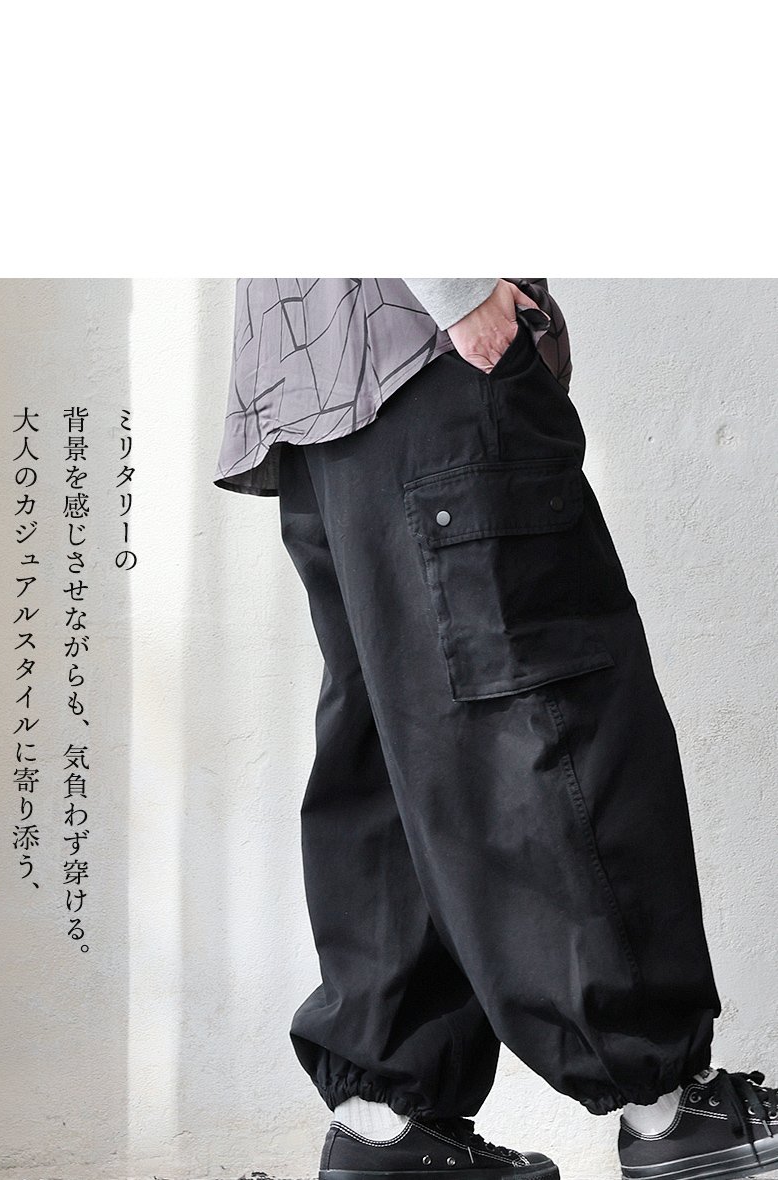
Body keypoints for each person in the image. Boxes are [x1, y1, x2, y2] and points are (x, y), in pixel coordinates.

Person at [213, 278, 777, 1180]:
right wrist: (462, 287)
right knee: (550, 723)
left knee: (391, 747)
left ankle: (387, 1123)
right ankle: (668, 1111)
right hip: (420, 349)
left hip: (318, 377)